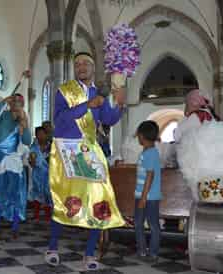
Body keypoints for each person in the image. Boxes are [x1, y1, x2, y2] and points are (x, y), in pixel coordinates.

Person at [45, 52, 126, 270]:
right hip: (67, 151)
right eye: (77, 63)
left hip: (90, 152)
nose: (81, 67)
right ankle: (52, 248)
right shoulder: (64, 91)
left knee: (99, 200)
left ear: (93, 68)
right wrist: (87, 105)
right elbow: (60, 119)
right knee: (64, 200)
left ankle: (90, 254)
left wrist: (119, 104)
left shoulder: (98, 92)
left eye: (86, 63)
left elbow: (108, 120)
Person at [0, 93, 32, 239]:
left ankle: (15, 226)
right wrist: (3, 101)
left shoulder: (22, 120)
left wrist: (25, 127)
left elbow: (27, 141)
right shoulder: (2, 115)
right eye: (14, 100)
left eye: (19, 101)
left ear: (22, 104)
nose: (16, 103)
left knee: (15, 192)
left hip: (13, 160)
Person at [135, 120, 161, 263]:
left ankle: (153, 253)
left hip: (149, 197)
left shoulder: (151, 153)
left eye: (138, 134)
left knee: (153, 225)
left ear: (142, 136)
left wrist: (144, 198)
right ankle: (142, 251)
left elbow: (150, 176)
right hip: (142, 195)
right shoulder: (146, 151)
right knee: (138, 223)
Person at [29, 126, 51, 223]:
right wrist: (32, 161)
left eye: (42, 134)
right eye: (38, 134)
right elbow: (31, 163)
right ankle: (36, 215)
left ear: (46, 135)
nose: (40, 136)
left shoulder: (51, 147)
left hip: (49, 175)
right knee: (37, 194)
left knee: (48, 195)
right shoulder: (33, 147)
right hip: (37, 174)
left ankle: (48, 216)